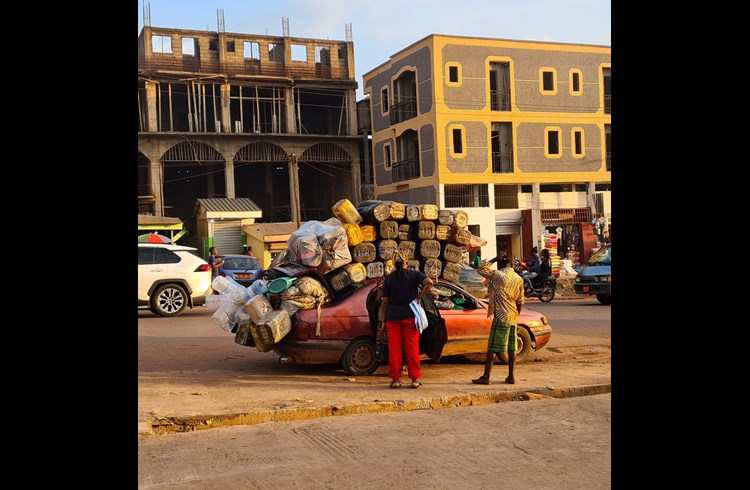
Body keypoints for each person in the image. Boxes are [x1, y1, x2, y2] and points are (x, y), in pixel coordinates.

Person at [378, 250, 434, 389]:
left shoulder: (389, 279)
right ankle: (415, 379)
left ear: (393, 263)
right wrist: (419, 297)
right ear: (406, 262)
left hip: (392, 318)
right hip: (410, 317)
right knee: (412, 348)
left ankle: (395, 380)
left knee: (394, 349)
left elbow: (384, 301)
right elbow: (429, 283)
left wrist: (382, 321)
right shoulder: (414, 275)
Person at [472, 254, 525, 385]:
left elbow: (480, 269)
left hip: (501, 315)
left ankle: (486, 377)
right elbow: (520, 301)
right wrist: (517, 315)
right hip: (513, 316)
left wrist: (494, 258)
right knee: (512, 348)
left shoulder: (498, 275)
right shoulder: (518, 279)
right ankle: (511, 376)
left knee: (492, 347)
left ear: (500, 265)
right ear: (512, 265)